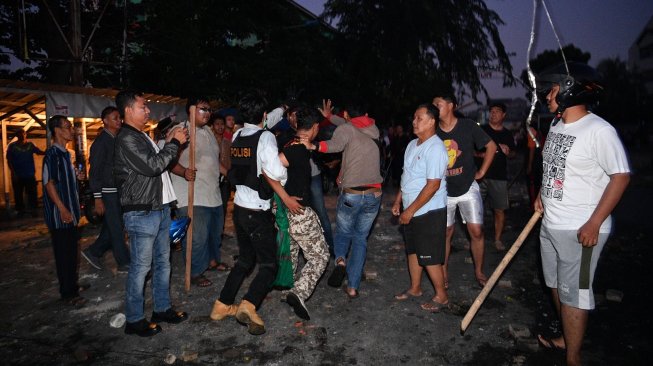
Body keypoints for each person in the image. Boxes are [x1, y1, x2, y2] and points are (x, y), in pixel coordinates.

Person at [533, 62, 630, 366]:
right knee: (555, 285)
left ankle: (574, 359)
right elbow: (553, 167)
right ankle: (565, 338)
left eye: (552, 88)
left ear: (569, 88)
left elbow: (621, 176)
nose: (547, 95)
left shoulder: (599, 130)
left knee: (574, 293)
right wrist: (541, 194)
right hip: (550, 222)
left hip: (581, 229)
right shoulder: (556, 124)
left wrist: (595, 221)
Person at [209, 93, 298, 336]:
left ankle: (221, 305)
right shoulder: (266, 137)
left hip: (239, 208)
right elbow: (276, 173)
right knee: (269, 265)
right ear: (264, 116)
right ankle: (248, 304)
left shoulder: (238, 135)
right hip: (258, 212)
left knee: (246, 261)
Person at [114, 90, 189, 337]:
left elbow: (161, 164)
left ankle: (162, 308)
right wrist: (174, 142)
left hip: (160, 207)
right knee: (141, 267)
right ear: (128, 110)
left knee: (163, 263)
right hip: (142, 211)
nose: (147, 110)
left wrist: (173, 143)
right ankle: (134, 320)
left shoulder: (141, 136)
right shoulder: (126, 137)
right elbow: (154, 166)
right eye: (142, 106)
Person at [306, 99, 383, 299]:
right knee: (360, 238)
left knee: (343, 232)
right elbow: (347, 125)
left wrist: (313, 145)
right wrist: (330, 117)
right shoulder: (373, 129)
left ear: (347, 115)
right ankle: (353, 287)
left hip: (352, 194)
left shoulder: (347, 131)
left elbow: (334, 145)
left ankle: (340, 260)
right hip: (374, 194)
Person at [433, 94, 496, 288]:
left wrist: (482, 171)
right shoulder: (433, 131)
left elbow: (491, 146)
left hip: (468, 186)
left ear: (451, 106)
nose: (435, 107)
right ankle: (443, 272)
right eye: (433, 105)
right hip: (443, 190)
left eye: (438, 104)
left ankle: (478, 270)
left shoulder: (468, 126)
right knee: (445, 232)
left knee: (476, 231)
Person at [391, 104, 449, 313]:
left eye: (419, 118)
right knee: (413, 250)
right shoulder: (412, 145)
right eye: (414, 118)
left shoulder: (435, 148)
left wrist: (410, 211)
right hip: (411, 207)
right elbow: (407, 177)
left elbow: (433, 185)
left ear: (432, 121)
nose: (414, 122)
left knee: (429, 255)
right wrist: (399, 201)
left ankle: (442, 296)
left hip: (428, 210)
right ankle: (415, 288)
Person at [277, 107, 329, 320]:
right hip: (298, 210)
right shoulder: (296, 149)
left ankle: (286, 289)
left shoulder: (293, 144)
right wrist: (286, 197)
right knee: (320, 256)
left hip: (287, 211)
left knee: (293, 252)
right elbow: (268, 170)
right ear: (315, 128)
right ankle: (299, 293)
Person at [170, 97, 228, 287]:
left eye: (209, 109)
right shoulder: (180, 131)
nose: (208, 113)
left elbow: (214, 161)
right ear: (191, 110)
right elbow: (168, 161)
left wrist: (229, 174)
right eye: (203, 109)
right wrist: (184, 172)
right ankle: (195, 272)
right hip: (192, 194)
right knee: (197, 236)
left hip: (212, 193)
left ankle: (212, 261)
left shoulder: (208, 132)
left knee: (214, 232)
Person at [276, 105, 335, 255]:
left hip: (310, 178)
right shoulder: (287, 139)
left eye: (298, 115)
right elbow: (272, 166)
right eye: (292, 115)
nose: (295, 118)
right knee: (319, 258)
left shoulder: (308, 138)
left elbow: (320, 151)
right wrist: (284, 196)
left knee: (320, 212)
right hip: (294, 191)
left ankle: (330, 247)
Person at [42, 115, 87, 306]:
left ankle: (72, 286)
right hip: (60, 215)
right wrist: (62, 209)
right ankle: (68, 294)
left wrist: (78, 176)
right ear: (58, 131)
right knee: (64, 254)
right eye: (68, 127)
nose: (72, 130)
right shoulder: (52, 154)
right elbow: (49, 184)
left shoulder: (66, 154)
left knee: (71, 251)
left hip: (71, 212)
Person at [82, 106, 130, 272]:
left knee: (113, 226)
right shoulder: (101, 142)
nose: (119, 121)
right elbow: (94, 172)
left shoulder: (115, 139)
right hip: (107, 192)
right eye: (115, 118)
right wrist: (97, 198)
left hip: (116, 191)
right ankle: (124, 262)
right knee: (116, 228)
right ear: (105, 121)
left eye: (119, 118)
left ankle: (94, 251)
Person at [476, 102, 516, 251]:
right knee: (475, 209)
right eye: (491, 111)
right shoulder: (482, 130)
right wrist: (482, 154)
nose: (493, 114)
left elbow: (513, 154)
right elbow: (471, 151)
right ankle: (474, 238)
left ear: (503, 115)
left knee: (499, 210)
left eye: (497, 111)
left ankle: (497, 239)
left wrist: (508, 152)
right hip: (480, 175)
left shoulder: (507, 134)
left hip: (499, 177)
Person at [7, 130, 44, 217]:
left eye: (24, 133)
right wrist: (13, 172)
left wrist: (48, 150)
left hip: (30, 174)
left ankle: (33, 210)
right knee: (18, 194)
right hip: (17, 175)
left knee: (32, 193)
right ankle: (20, 211)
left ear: (26, 134)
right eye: (20, 134)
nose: (22, 135)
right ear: (17, 135)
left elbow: (39, 152)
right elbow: (9, 160)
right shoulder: (12, 146)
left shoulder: (30, 145)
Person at [209, 113, 233, 224]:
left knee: (223, 207)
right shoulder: (208, 141)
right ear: (212, 126)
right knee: (211, 206)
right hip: (211, 179)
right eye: (217, 124)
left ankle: (220, 231)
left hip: (225, 180)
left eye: (222, 124)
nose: (220, 127)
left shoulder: (228, 142)